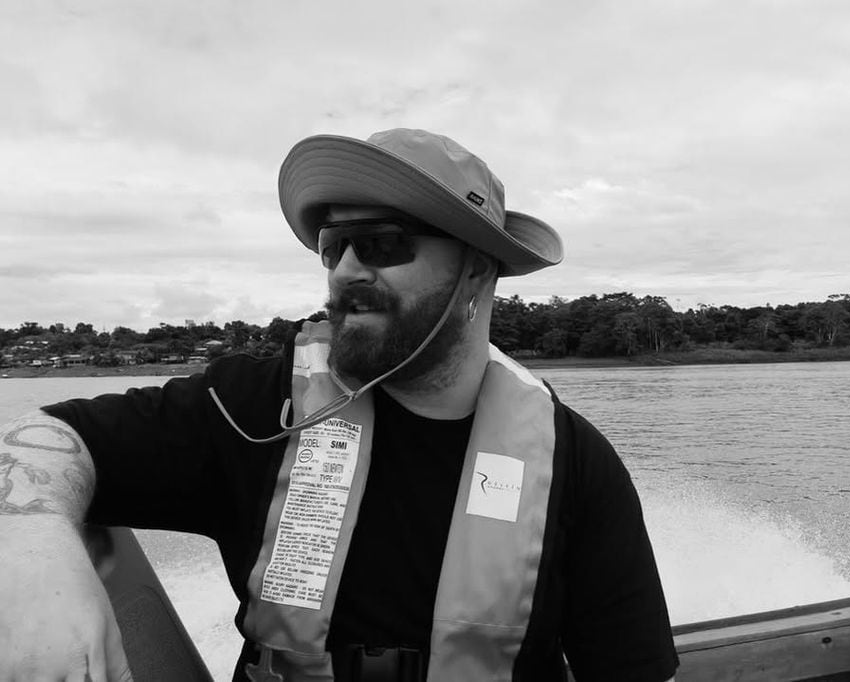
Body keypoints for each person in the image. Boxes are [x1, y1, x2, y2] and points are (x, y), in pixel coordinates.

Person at [0, 128, 679, 682]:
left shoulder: (575, 464)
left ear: (476, 267)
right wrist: (31, 544)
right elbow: (44, 436)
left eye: (383, 243)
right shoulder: (253, 408)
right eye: (334, 245)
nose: (347, 270)